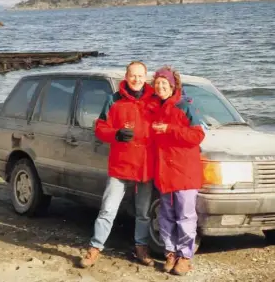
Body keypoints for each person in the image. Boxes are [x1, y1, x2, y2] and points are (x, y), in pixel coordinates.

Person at [79, 61, 156, 268]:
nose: (137, 79)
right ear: (126, 76)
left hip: (146, 166)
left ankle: (141, 247)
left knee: (143, 212)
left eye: (140, 76)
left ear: (146, 77)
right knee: (108, 210)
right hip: (120, 166)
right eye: (133, 75)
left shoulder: (154, 101)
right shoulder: (113, 100)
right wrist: (116, 134)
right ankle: (95, 248)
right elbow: (100, 128)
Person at [147, 66, 205, 276]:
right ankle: (170, 252)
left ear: (173, 86)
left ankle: (185, 257)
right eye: (157, 83)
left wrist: (170, 129)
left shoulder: (186, 106)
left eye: (165, 84)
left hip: (184, 170)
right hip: (164, 171)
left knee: (185, 215)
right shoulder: (153, 107)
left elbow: (197, 136)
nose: (161, 87)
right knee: (166, 214)